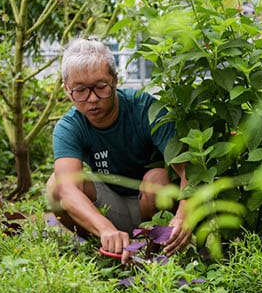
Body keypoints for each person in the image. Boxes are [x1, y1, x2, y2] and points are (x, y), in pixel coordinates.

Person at [45, 38, 191, 264]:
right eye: (80, 90)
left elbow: (187, 171)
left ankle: (154, 247)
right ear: (67, 89)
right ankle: (108, 247)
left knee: (157, 178)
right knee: (56, 185)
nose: (92, 99)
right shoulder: (70, 126)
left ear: (114, 80)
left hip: (153, 205)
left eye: (101, 87)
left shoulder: (146, 109)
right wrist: (104, 228)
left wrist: (184, 217)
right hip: (111, 207)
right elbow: (67, 190)